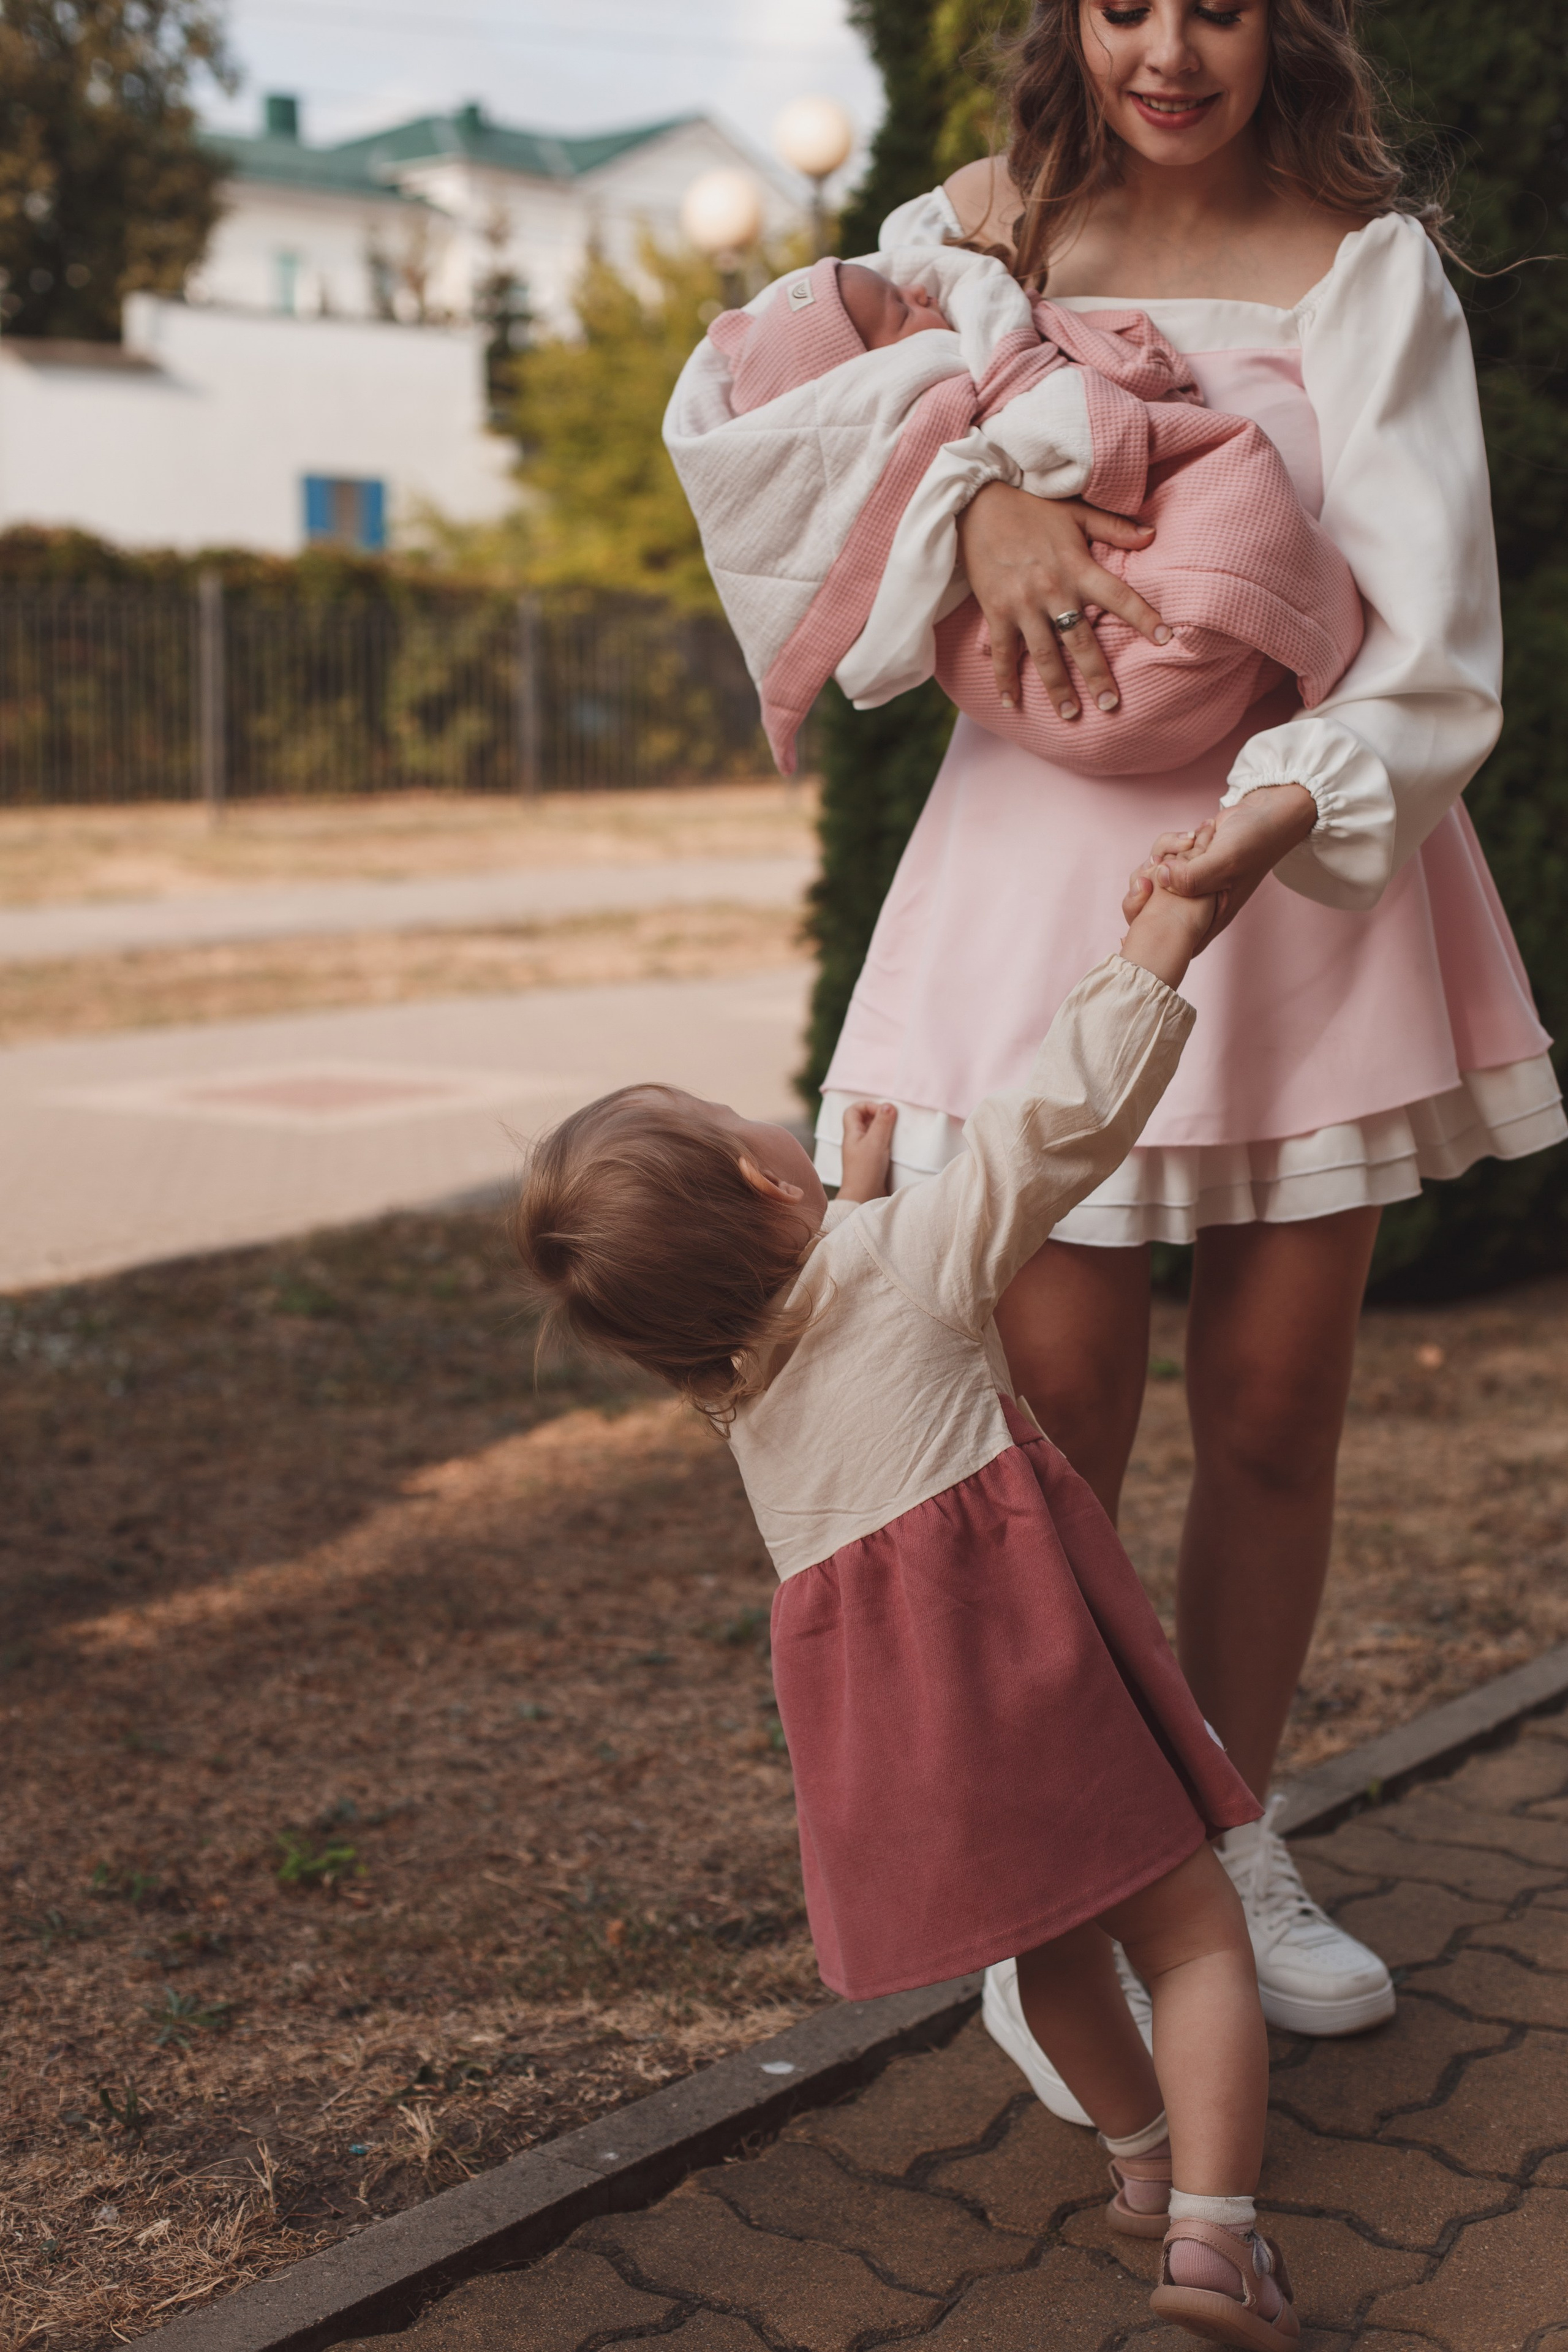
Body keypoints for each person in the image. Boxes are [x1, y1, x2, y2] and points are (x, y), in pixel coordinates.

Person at [809, 0, 1566, 2092]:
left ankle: (1229, 1845)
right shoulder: (975, 235)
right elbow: (823, 481)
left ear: (1288, 19)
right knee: (1050, 1398)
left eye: (1217, 0)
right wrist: (974, 509)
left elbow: (1439, 628)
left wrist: (1270, 821)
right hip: (1036, 881)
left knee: (1273, 1402)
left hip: (1295, 870)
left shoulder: (1366, 264)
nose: (1169, 47)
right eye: (1124, 0)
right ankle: (1062, 1886)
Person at [514, 861, 1302, 2346]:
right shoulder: (910, 1267)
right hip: (1035, 1681)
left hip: (911, 1748)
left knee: (1046, 1945)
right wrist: (1159, 938)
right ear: (763, 1178)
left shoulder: (735, 1394)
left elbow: (816, 1313)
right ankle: (1213, 2240)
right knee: (1191, 1937)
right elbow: (1050, 1124)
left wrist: (847, 1201)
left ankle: (1138, 2162)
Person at [679, 248, 1364, 782]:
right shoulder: (925, 394)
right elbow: (1073, 433)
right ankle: (1256, 609)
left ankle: (1242, 609)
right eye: (896, 309)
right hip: (1043, 702)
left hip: (1243, 736)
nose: (921, 290)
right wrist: (975, 489)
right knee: (1223, 497)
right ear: (867, 380)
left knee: (1224, 504)